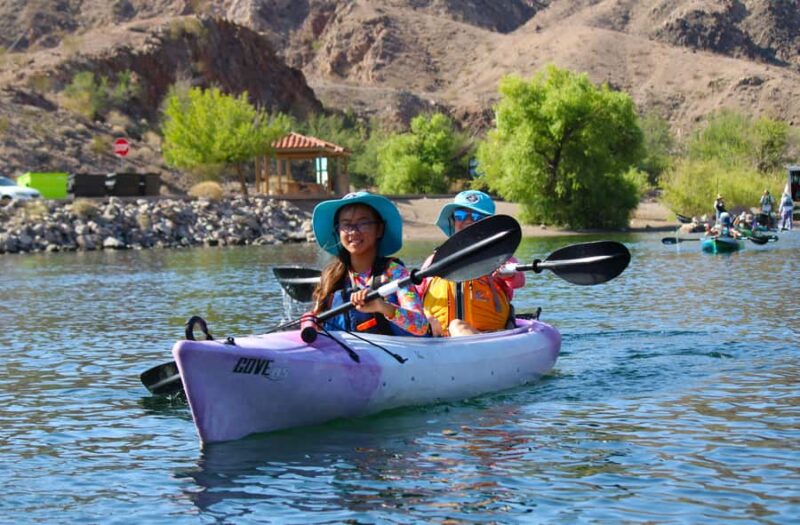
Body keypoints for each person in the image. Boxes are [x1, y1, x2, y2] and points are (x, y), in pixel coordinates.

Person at [306, 191, 429, 337]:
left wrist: (382, 306)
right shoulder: (331, 276)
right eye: (346, 225)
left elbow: (421, 326)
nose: (353, 231)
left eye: (363, 223)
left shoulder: (395, 273)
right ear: (338, 231)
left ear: (379, 229)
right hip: (343, 355)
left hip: (394, 355)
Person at [416, 190, 525, 337]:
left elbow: (519, 281)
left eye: (476, 217)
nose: (468, 220)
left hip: (489, 336)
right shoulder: (434, 260)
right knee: (455, 327)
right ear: (453, 221)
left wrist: (510, 274)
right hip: (439, 339)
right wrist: (426, 316)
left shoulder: (499, 257)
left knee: (456, 326)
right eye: (460, 215)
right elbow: (414, 296)